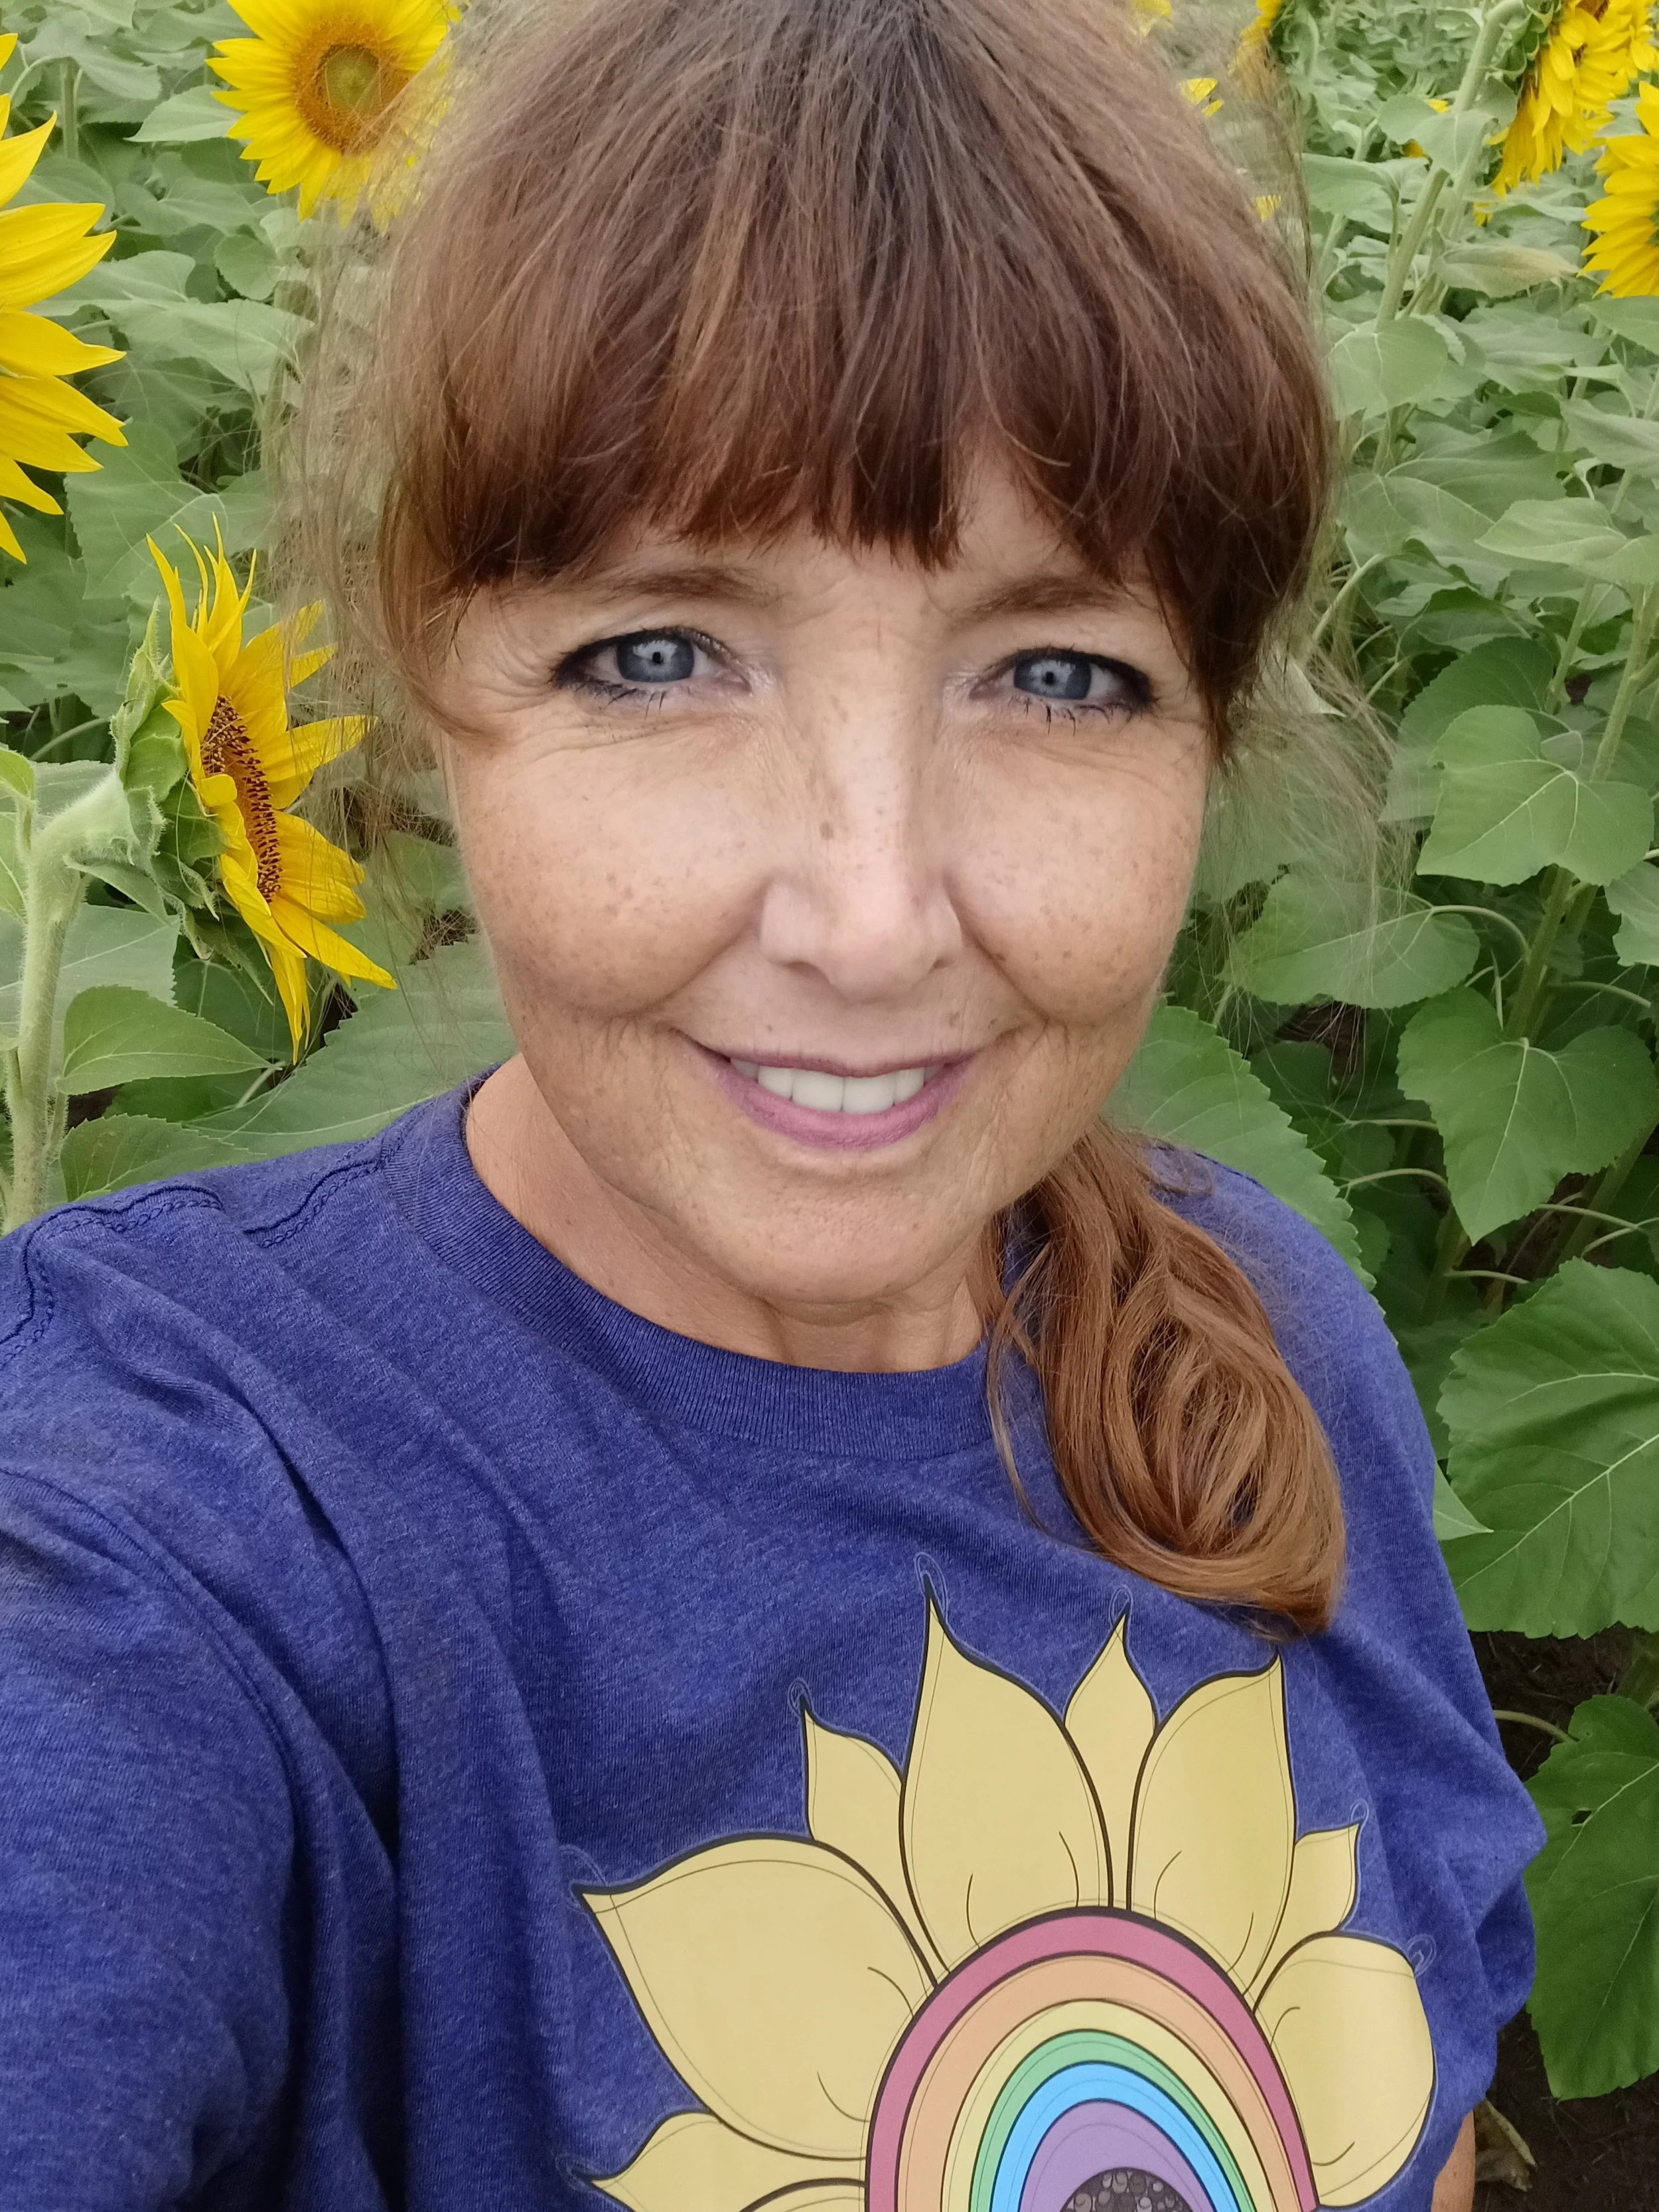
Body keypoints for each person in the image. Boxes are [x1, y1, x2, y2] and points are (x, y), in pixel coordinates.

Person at [0, 0, 1541, 2205]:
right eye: (657, 653)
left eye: (1057, 673)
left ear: (1212, 736)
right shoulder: (191, 1526)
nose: (870, 910)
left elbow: (1431, 2071)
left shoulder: (1262, 1337)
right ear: (431, 696)